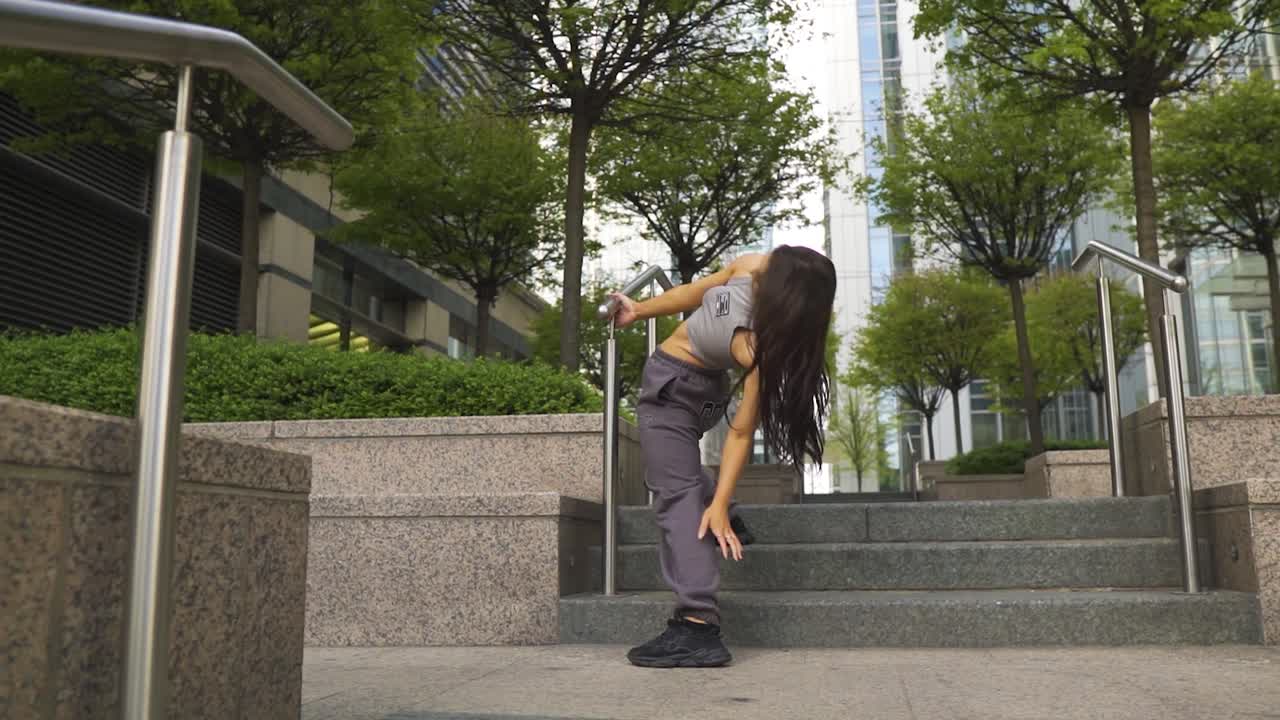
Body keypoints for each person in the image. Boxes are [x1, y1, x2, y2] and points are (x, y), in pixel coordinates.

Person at [607, 246, 836, 668]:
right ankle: (726, 510)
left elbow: (741, 433)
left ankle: (697, 625)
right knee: (678, 476)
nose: (763, 267)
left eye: (773, 270)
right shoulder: (752, 265)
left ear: (785, 294)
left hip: (673, 393)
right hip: (690, 385)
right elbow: (696, 291)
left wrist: (716, 505)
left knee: (676, 498)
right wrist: (639, 310)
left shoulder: (754, 348)